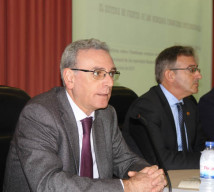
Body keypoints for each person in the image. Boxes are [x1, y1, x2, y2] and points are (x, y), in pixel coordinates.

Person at [3, 39, 166, 192]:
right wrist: (126, 187)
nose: (109, 82)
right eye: (98, 73)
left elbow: (125, 160)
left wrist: (149, 176)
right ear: (69, 78)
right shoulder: (40, 114)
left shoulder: (106, 114)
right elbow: (48, 183)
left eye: (111, 73)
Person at [123, 46, 214, 170]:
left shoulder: (189, 103)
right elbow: (161, 161)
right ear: (170, 75)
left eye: (197, 69)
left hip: (186, 175)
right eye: (192, 70)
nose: (199, 75)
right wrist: (212, 156)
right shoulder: (146, 107)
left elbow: (198, 146)